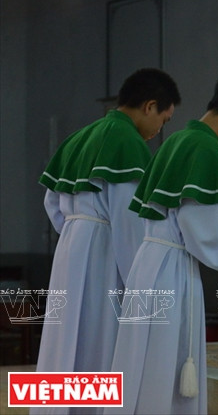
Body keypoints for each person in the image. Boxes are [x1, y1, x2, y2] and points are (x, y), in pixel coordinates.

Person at [107, 64, 218, 414]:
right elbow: (201, 231)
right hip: (169, 274)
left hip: (151, 265)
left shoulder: (178, 139)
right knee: (164, 368)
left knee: (142, 366)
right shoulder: (205, 149)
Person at [34, 68, 181, 414]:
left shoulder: (80, 136)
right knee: (98, 341)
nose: (160, 129)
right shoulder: (127, 144)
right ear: (149, 106)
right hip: (103, 255)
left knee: (65, 339)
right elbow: (129, 222)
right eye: (164, 118)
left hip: (69, 249)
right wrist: (141, 282)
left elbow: (51, 203)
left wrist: (76, 232)